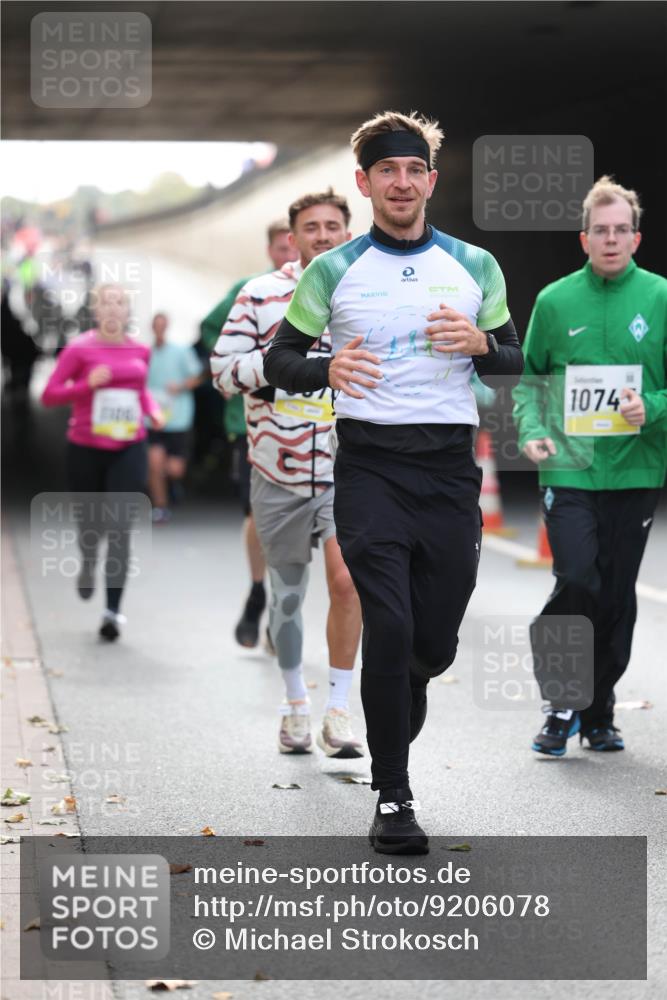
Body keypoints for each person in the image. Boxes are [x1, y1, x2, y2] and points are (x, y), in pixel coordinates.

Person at [264, 112, 523, 854]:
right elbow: (281, 362)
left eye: (412, 170)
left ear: (430, 181)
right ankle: (393, 797)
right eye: (386, 171)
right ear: (365, 183)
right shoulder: (332, 269)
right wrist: (324, 369)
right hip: (369, 466)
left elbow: (511, 358)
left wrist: (481, 344)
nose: (401, 182)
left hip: (446, 471)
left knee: (431, 645)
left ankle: (407, 681)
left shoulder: (474, 266)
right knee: (391, 623)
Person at [512, 176, 666, 757]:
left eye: (620, 230)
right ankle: (559, 704)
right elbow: (527, 384)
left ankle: (600, 711)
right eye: (599, 230)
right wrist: (530, 432)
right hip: (571, 468)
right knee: (576, 578)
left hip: (636, 469)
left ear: (636, 237)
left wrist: (646, 407)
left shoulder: (659, 298)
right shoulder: (554, 302)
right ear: (583, 239)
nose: (610, 239)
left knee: (616, 594)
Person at [211, 190, 364, 758]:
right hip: (276, 468)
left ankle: (340, 710)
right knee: (290, 597)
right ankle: (296, 702)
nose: (322, 235)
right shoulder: (259, 294)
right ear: (292, 237)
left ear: (347, 232)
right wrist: (280, 370)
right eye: (311, 228)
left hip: (349, 468)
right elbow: (222, 373)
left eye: (332, 226)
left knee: (348, 582)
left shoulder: (366, 291)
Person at [42, 283, 164, 641]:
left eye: (120, 303)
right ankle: (88, 559)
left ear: (128, 312)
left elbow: (139, 392)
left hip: (129, 446)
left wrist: (152, 411)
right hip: (85, 446)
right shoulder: (80, 350)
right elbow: (49, 395)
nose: (113, 309)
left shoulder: (141, 350)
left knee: (121, 527)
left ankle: (112, 611)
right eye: (106, 303)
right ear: (96, 311)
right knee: (90, 526)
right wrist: (86, 385)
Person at [201, 220, 298, 647]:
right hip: (251, 425)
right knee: (257, 516)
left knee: (304, 527)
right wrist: (236, 374)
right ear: (272, 249)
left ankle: (283, 603)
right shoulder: (252, 288)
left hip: (307, 426)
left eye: (290, 250)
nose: (288, 258)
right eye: (281, 249)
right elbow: (210, 330)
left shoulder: (323, 288)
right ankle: (259, 591)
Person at [146, 312, 203, 523]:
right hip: (155, 418)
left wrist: (179, 387)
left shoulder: (181, 351)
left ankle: (174, 485)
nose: (159, 329)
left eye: (163, 325)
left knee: (174, 469)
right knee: (154, 464)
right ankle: (160, 507)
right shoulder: (146, 353)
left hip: (178, 417)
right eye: (156, 325)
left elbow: (198, 377)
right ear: (152, 327)